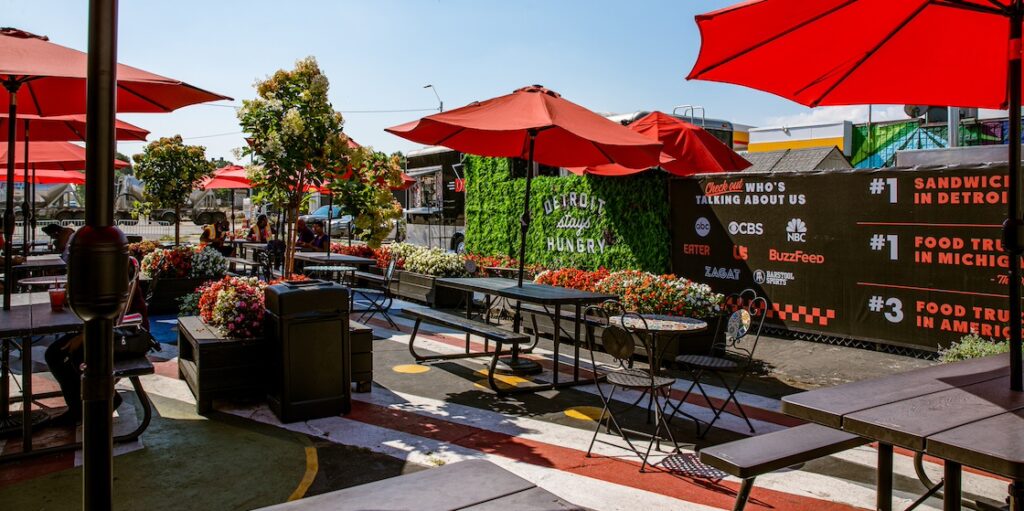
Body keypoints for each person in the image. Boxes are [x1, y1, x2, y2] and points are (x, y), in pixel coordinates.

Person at [43, 258, 150, 427]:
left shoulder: (119, 266)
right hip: (103, 329)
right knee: (56, 353)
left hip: (126, 335)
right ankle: (81, 406)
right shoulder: (99, 268)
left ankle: (87, 406)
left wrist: (85, 335)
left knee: (65, 354)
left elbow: (116, 311)